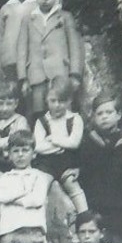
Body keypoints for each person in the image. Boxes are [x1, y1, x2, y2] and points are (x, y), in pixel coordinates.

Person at [77, 95, 122, 243]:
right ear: (93, 117)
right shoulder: (89, 143)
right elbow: (85, 177)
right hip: (97, 209)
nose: (104, 117)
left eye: (109, 112)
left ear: (118, 115)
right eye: (99, 114)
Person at [16, 0, 84, 120]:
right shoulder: (28, 19)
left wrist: (75, 74)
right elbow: (22, 50)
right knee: (38, 113)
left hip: (60, 73)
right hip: (36, 75)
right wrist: (23, 78)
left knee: (62, 110)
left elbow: (75, 48)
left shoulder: (65, 17)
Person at [33, 77, 87, 221]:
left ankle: (85, 220)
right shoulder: (42, 121)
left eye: (62, 101)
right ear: (46, 100)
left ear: (69, 101)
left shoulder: (75, 119)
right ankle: (38, 222)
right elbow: (38, 146)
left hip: (67, 163)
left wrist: (53, 140)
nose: (57, 105)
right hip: (46, 164)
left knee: (74, 188)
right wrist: (61, 145)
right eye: (53, 101)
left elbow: (74, 143)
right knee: (40, 187)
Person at [0, 130, 53, 243]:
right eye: (15, 151)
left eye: (25, 150)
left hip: (33, 228)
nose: (20, 155)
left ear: (34, 154)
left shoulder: (39, 176)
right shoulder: (6, 177)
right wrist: (23, 193)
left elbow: (36, 200)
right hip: (9, 229)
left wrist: (11, 199)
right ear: (9, 155)